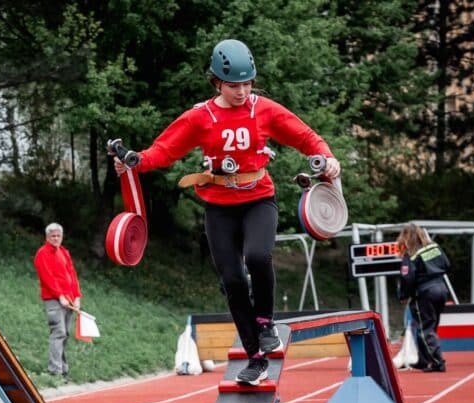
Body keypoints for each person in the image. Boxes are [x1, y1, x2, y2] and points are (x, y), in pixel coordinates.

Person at [113, 38, 341, 385]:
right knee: (232, 281)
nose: (243, 91)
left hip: (258, 199)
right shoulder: (199, 117)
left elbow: (306, 136)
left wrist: (328, 157)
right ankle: (255, 358)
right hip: (219, 207)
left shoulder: (264, 109)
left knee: (258, 256)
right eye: (234, 85)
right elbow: (164, 150)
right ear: (217, 81)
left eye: (248, 83)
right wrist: (135, 162)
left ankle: (265, 325)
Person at [397, 223, 450, 372]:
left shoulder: (411, 255)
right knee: (429, 326)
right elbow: (447, 264)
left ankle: (438, 362)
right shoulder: (434, 247)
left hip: (424, 293)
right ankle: (423, 360)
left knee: (425, 328)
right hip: (441, 289)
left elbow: (407, 278)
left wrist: (404, 296)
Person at [33, 222, 82, 377]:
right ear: (47, 237)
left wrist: (77, 296)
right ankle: (55, 370)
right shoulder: (42, 253)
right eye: (52, 236)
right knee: (58, 331)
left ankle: (63, 368)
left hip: (69, 300)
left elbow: (72, 275)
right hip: (54, 300)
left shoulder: (64, 252)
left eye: (58, 235)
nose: (55, 238)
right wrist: (60, 296)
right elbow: (47, 277)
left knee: (65, 333)